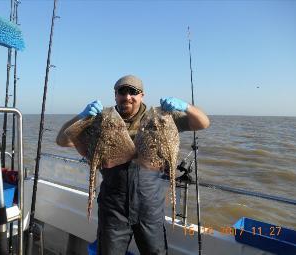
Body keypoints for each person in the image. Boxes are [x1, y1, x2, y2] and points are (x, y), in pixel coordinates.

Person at [56, 75, 210, 255]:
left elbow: (203, 122)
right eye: (122, 91)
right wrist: (81, 116)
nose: (127, 96)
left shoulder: (160, 117)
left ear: (142, 95)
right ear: (115, 95)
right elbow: (62, 140)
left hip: (149, 205)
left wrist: (185, 106)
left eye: (133, 92)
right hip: (113, 206)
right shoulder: (102, 118)